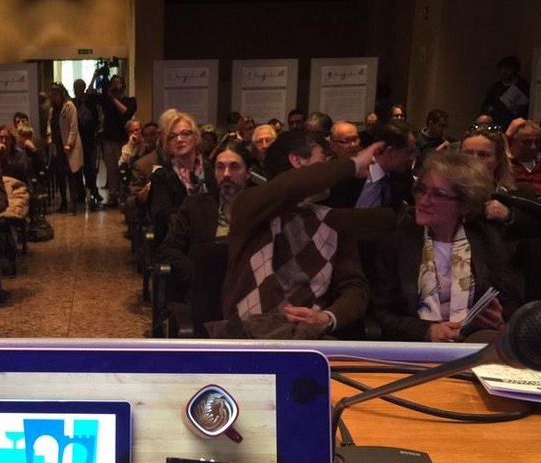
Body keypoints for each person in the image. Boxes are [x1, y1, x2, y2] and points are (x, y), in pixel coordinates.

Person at [218, 134, 395, 340]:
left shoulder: (332, 220)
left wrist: (327, 318)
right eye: (323, 162)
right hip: (246, 338)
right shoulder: (249, 205)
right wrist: (353, 164)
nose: (329, 173)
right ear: (297, 161)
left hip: (307, 338)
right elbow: (289, 186)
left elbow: (355, 289)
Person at [369, 152, 521, 342]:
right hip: (416, 346)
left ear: (465, 204)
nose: (423, 200)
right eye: (421, 190)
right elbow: (381, 313)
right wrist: (427, 330)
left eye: (438, 194)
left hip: (474, 343)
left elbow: (510, 303)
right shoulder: (396, 243)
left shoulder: (487, 240)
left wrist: (500, 318)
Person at [156, 139, 255, 304]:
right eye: (220, 167)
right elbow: (168, 250)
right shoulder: (196, 206)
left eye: (234, 167)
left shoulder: (260, 207)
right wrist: (197, 274)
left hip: (249, 290)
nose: (226, 174)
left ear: (248, 173)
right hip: (205, 293)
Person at [148, 110, 216, 248]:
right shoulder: (161, 176)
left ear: (195, 137)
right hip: (177, 243)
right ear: (167, 144)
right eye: (172, 136)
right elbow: (163, 215)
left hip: (213, 238)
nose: (179, 139)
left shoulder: (213, 169)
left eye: (185, 133)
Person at [98, 74, 136, 207]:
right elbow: (91, 95)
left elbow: (126, 113)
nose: (115, 85)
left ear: (123, 85)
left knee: (124, 168)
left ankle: (123, 195)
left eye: (118, 82)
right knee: (111, 169)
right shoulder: (107, 100)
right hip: (109, 139)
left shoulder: (130, 100)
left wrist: (114, 99)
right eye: (113, 82)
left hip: (123, 139)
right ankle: (113, 196)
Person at [48, 83, 83, 215]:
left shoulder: (69, 107)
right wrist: (49, 137)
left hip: (68, 145)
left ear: (62, 94)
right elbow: (49, 124)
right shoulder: (52, 109)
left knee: (71, 174)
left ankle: (73, 203)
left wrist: (69, 144)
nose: (55, 97)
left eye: (57, 94)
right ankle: (63, 201)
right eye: (53, 94)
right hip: (57, 145)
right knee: (60, 175)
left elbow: (73, 127)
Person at [508, 120, 541, 197]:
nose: (533, 147)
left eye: (537, 142)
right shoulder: (504, 164)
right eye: (527, 142)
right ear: (512, 142)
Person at [480, 56, 530, 131]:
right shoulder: (495, 88)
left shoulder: (524, 87)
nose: (503, 72)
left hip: (516, 128)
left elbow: (528, 109)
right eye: (501, 69)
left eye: (507, 69)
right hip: (496, 127)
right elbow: (484, 106)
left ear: (515, 70)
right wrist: (491, 110)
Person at [73, 78, 102, 205]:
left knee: (89, 167)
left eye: (79, 88)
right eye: (75, 88)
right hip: (77, 139)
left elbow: (96, 118)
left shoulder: (91, 101)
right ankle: (80, 192)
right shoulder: (73, 103)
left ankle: (93, 190)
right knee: (77, 167)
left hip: (89, 139)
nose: (77, 90)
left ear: (83, 88)